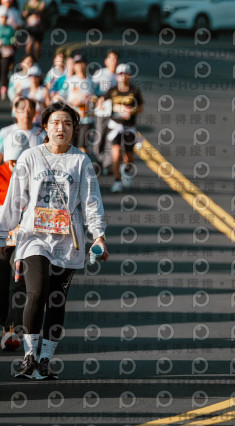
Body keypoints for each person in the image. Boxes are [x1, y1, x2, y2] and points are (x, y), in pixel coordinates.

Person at [0, 101, 109, 380]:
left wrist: (98, 236)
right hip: (33, 237)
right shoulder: (30, 157)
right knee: (36, 292)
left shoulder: (81, 162)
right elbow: (14, 200)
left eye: (68, 123)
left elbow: (91, 202)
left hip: (66, 242)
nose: (62, 128)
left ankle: (45, 360)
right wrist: (2, 233)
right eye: (56, 123)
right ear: (45, 128)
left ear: (74, 129)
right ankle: (29, 356)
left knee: (57, 300)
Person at [0, 101, 38, 350]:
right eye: (10, 161)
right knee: (2, 281)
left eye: (18, 161)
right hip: (2, 237)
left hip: (26, 238)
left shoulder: (34, 176)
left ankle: (12, 330)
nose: (14, 166)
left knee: (19, 282)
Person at [99, 63, 143, 193]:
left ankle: (127, 171)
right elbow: (101, 101)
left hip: (129, 127)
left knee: (129, 156)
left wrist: (131, 110)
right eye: (120, 74)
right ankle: (117, 180)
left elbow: (140, 108)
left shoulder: (134, 91)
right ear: (117, 76)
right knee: (116, 152)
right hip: (115, 126)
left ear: (129, 76)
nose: (122, 76)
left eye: (125, 74)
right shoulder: (112, 90)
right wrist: (111, 107)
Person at [59, 53, 93, 153]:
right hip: (72, 119)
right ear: (74, 66)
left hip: (86, 119)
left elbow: (97, 98)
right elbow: (60, 97)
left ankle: (82, 163)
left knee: (82, 146)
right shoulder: (69, 81)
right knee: (70, 146)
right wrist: (72, 103)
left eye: (82, 63)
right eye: (77, 63)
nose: (80, 66)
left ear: (86, 64)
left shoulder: (92, 81)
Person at [91, 49, 118, 171]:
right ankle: (99, 159)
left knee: (111, 138)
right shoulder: (100, 74)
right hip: (101, 112)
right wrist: (96, 101)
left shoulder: (119, 76)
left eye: (115, 58)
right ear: (106, 61)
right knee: (100, 136)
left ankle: (108, 164)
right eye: (111, 58)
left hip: (115, 113)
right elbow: (91, 90)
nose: (114, 61)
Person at [0, 6, 15, 101]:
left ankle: (4, 88)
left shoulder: (10, 29)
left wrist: (10, 44)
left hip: (7, 52)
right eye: (2, 17)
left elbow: (14, 39)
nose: (3, 19)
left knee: (4, 70)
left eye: (5, 17)